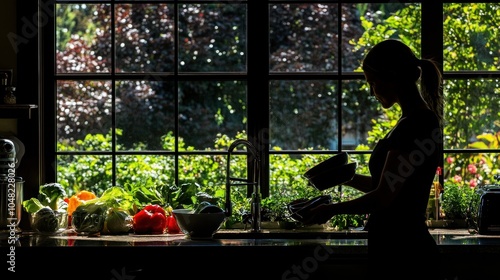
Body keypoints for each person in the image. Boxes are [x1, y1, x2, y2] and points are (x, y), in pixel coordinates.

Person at [303, 39, 444, 280]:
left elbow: (383, 198)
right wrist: (344, 177)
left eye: (373, 82)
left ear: (392, 76)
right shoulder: (410, 122)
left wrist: (331, 209)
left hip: (404, 251)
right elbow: (388, 186)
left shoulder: (415, 125)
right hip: (399, 247)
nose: (371, 91)